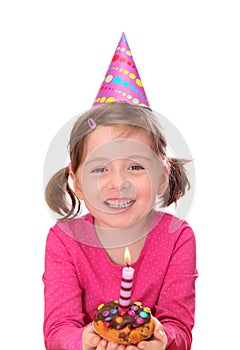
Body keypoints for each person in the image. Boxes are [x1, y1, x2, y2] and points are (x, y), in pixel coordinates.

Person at [43, 34, 197, 350]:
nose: (119, 183)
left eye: (136, 167)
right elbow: (58, 331)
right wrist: (81, 341)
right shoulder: (64, 240)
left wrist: (163, 338)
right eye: (100, 168)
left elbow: (179, 329)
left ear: (162, 176)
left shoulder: (178, 237)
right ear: (78, 181)